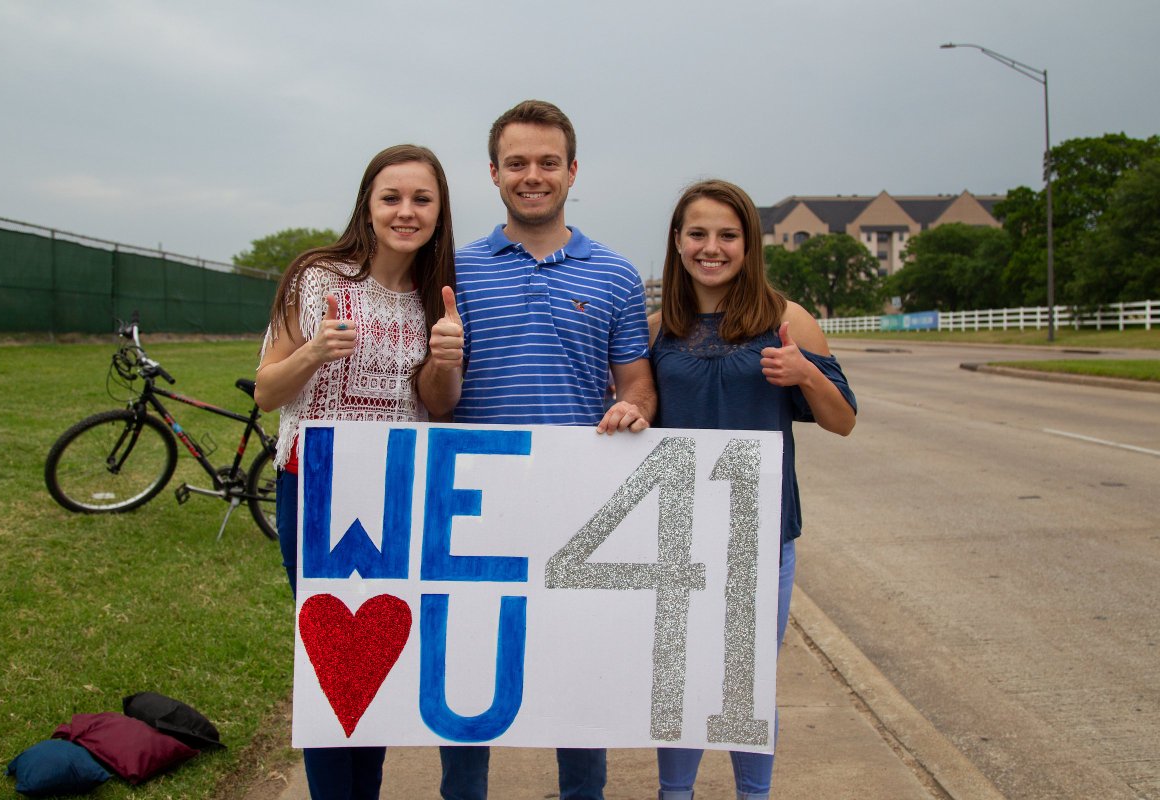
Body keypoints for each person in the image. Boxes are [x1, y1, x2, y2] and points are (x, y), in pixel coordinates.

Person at [421, 99, 656, 800]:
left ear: (572, 171)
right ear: (493, 173)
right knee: (467, 678)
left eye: (547, 162)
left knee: (580, 685)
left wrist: (632, 408)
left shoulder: (614, 274)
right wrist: (441, 358)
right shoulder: (451, 271)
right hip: (477, 504)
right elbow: (437, 401)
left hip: (579, 506)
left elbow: (639, 386)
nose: (533, 175)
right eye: (517, 163)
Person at [253, 143, 458, 800]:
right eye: (391, 197)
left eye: (421, 199)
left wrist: (447, 359)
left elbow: (438, 403)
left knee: (377, 662)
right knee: (329, 660)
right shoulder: (315, 277)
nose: (406, 211)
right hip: (314, 486)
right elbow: (266, 391)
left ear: (438, 210)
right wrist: (315, 351)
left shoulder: (440, 294)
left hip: (398, 490)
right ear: (368, 206)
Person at [649, 179, 856, 800]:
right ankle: (674, 792)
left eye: (727, 235)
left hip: (761, 534)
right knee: (679, 676)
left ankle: (754, 794)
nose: (712, 248)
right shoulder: (658, 328)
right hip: (677, 533)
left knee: (747, 677)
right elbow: (640, 410)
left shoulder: (785, 320)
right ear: (678, 243)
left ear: (748, 244)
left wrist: (806, 373)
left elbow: (842, 418)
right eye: (698, 234)